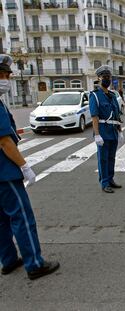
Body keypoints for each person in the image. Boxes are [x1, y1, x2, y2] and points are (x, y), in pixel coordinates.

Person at [0, 54, 60, 280]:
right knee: (22, 217)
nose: (6, 79)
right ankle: (34, 263)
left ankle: (7, 260)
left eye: (7, 75)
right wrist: (24, 166)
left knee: (1, 220)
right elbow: (5, 141)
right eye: (2, 75)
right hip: (4, 173)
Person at [89, 65, 124, 193]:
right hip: (103, 132)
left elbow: (117, 115)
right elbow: (94, 117)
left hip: (113, 131)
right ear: (99, 78)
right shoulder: (95, 96)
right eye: (105, 77)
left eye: (109, 77)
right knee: (103, 159)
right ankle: (104, 183)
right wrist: (97, 134)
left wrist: (120, 131)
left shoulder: (113, 95)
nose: (107, 79)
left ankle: (110, 179)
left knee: (111, 157)